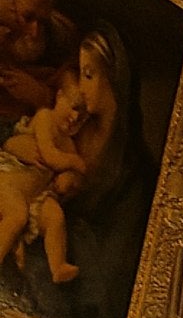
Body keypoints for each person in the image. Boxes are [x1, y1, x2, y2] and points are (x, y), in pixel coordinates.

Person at [0, 49, 105, 282]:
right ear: (59, 98)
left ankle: (58, 266)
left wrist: (72, 177)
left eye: (84, 115)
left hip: (34, 195)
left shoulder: (69, 142)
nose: (76, 117)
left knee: (55, 216)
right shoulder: (45, 118)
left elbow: (71, 176)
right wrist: (75, 162)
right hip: (9, 181)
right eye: (74, 106)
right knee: (16, 216)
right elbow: (49, 156)